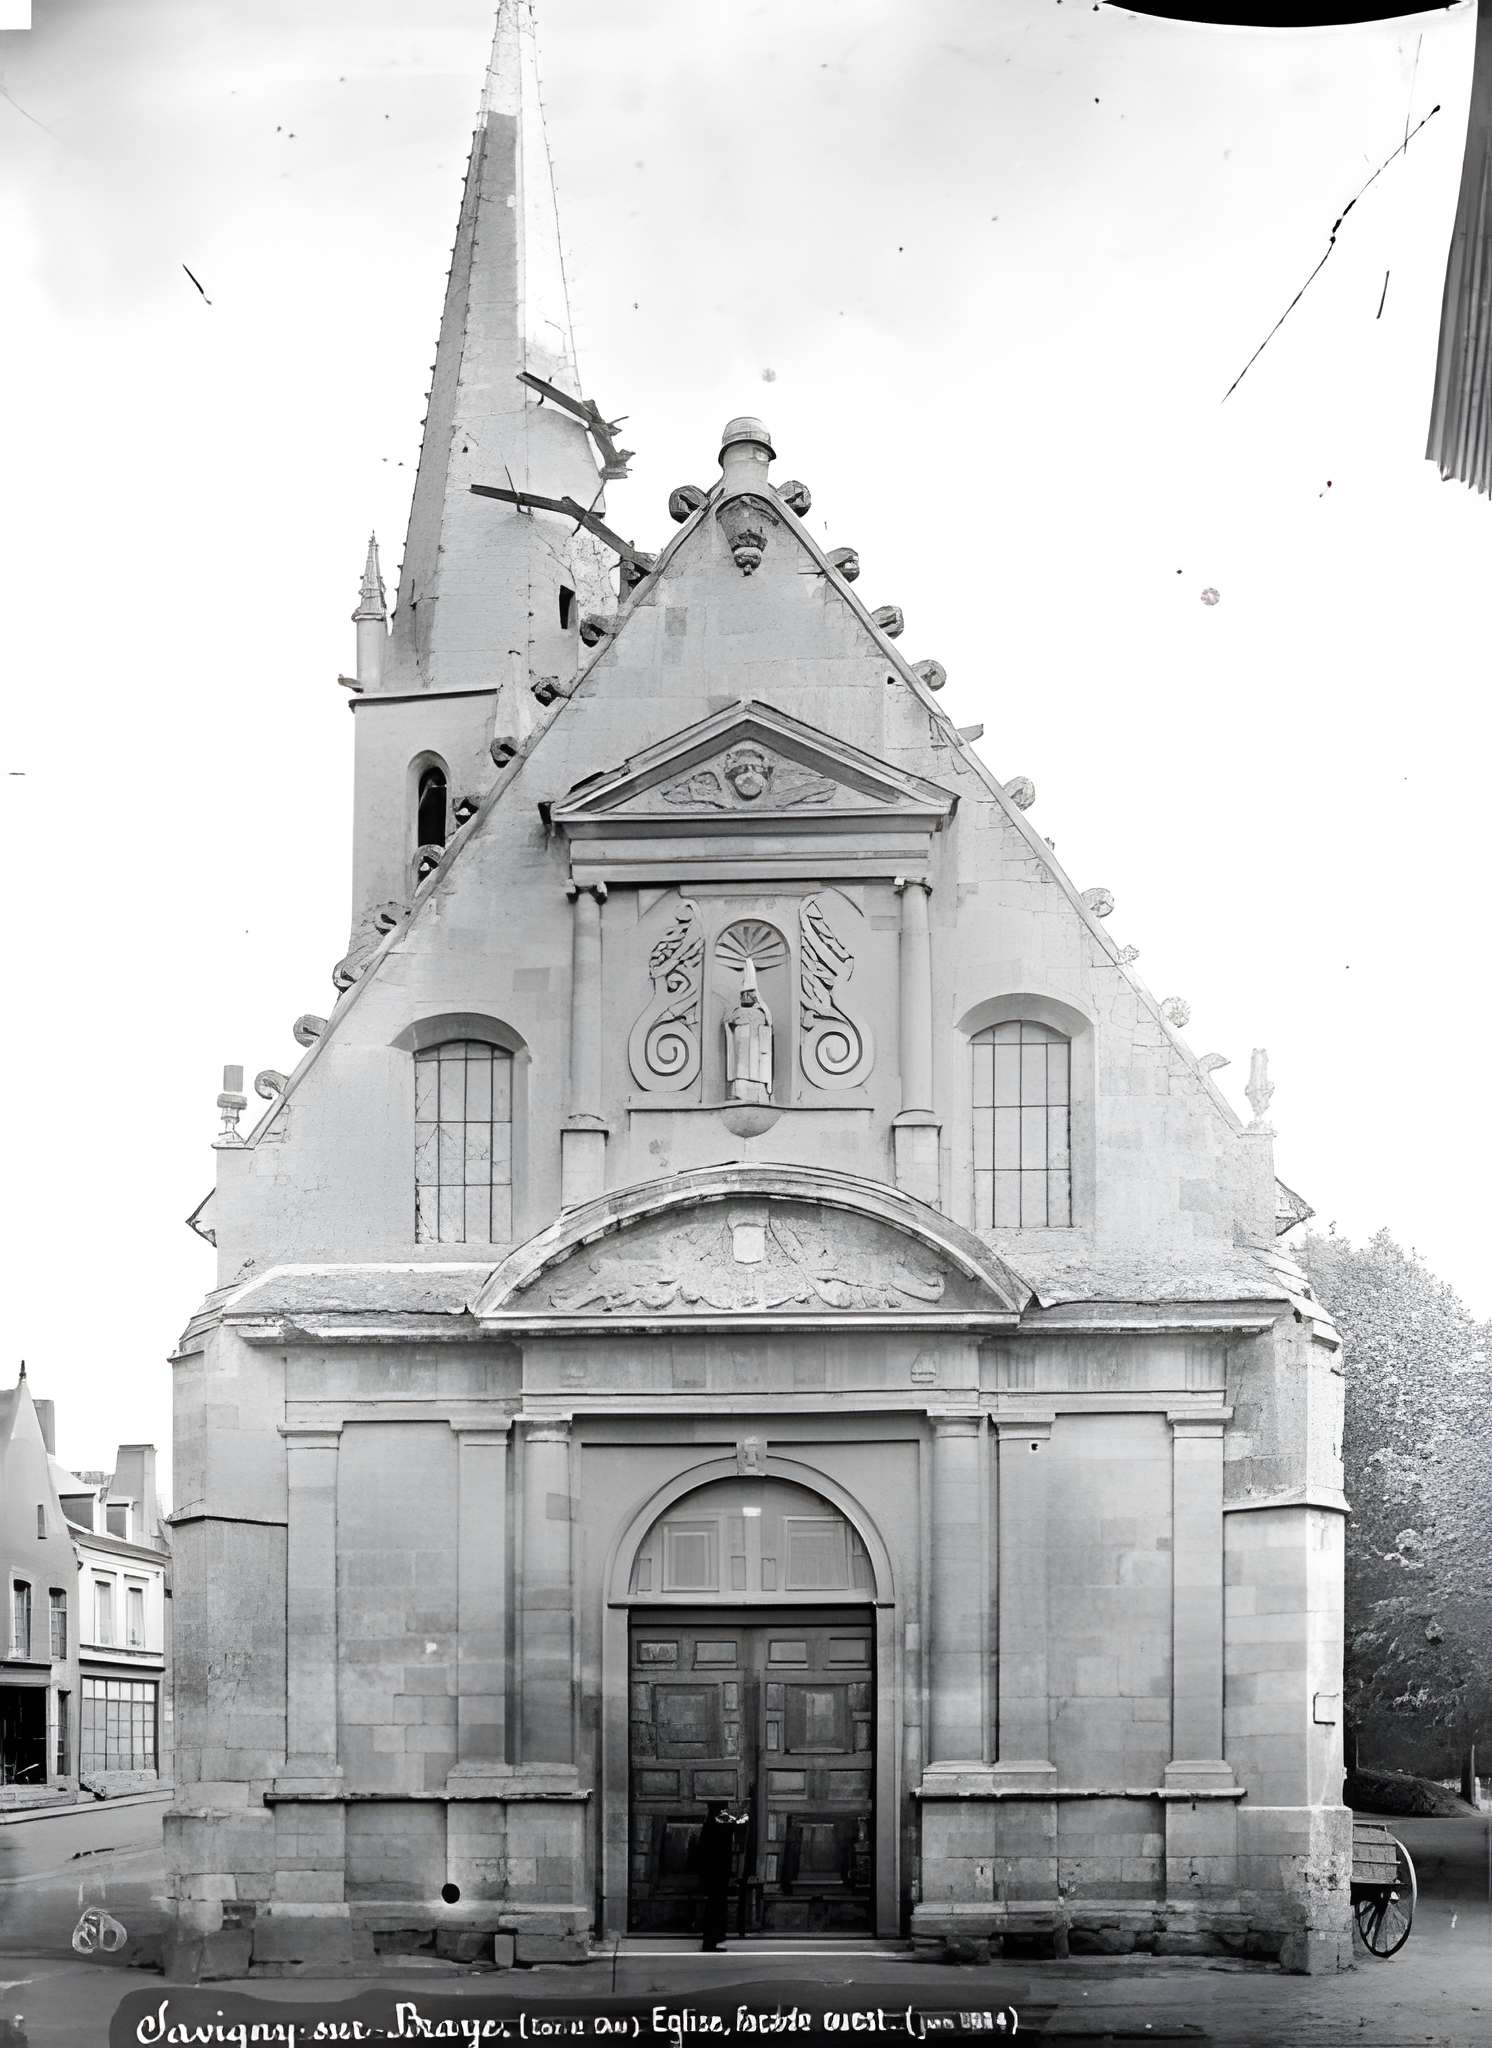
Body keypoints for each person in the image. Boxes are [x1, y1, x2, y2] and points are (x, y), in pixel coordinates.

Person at [696, 1799, 749, 1951]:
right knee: (716, 1907)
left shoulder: (710, 1823)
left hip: (712, 1873)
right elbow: (739, 1824)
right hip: (718, 1872)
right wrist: (744, 1811)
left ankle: (714, 1939)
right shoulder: (718, 1822)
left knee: (714, 1906)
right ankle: (711, 1941)